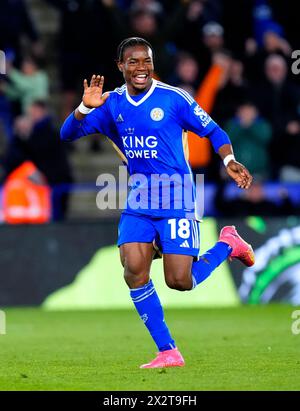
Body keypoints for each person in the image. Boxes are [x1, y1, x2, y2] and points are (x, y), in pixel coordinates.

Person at [60, 37, 255, 369]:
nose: (141, 68)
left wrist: (228, 161)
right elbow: (67, 134)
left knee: (180, 281)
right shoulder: (111, 103)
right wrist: (83, 108)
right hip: (139, 198)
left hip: (177, 196)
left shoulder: (174, 99)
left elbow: (215, 132)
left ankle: (228, 244)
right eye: (133, 62)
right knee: (133, 270)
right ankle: (168, 350)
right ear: (120, 66)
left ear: (153, 64)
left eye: (146, 61)